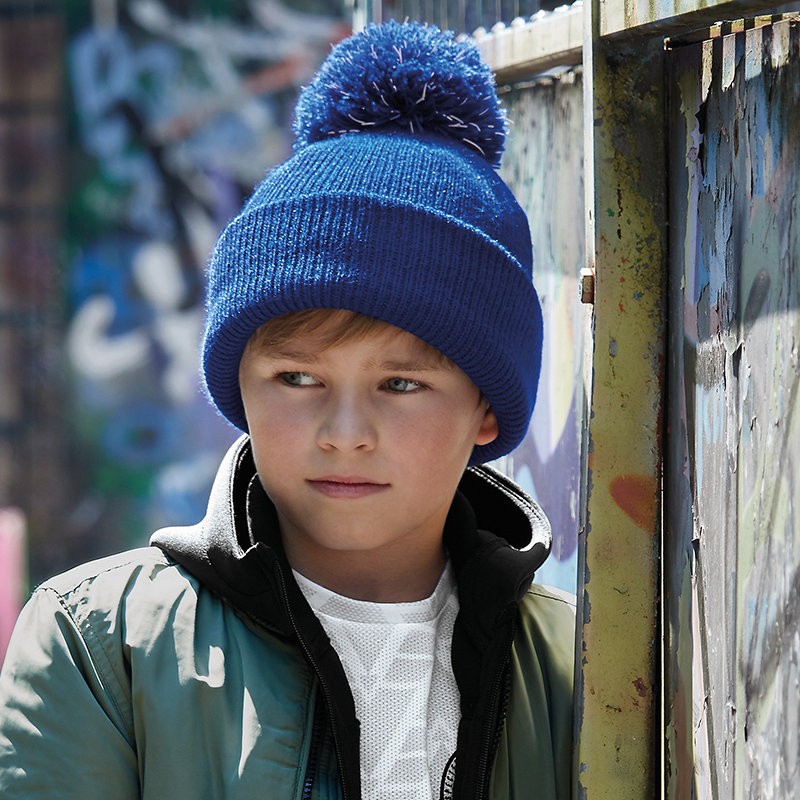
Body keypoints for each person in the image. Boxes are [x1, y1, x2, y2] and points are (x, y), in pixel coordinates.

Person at [0, 20, 575, 800]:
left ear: (485, 412)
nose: (345, 436)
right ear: (240, 386)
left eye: (401, 385)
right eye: (299, 378)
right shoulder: (100, 646)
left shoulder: (583, 667)